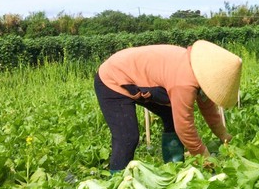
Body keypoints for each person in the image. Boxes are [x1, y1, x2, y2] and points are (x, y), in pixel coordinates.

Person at [94, 40, 242, 172]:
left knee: (171, 116)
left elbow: (209, 110)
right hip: (113, 79)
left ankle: (173, 167)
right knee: (127, 137)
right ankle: (116, 185)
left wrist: (224, 137)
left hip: (136, 76)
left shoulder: (200, 72)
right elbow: (184, 127)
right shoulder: (184, 82)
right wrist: (203, 155)